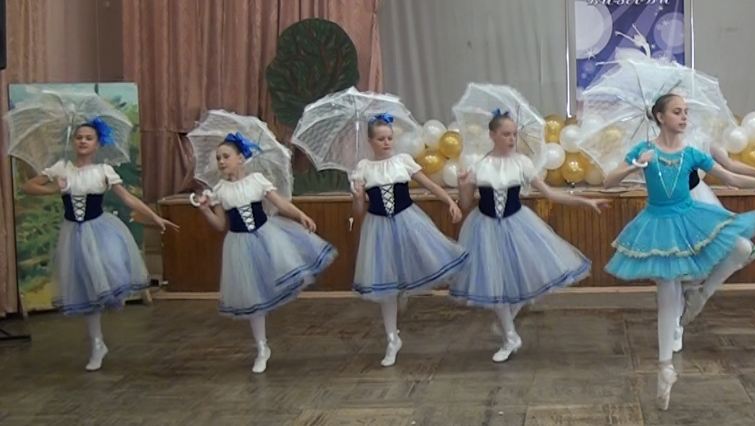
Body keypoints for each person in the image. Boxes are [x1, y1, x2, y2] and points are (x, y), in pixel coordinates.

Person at [603, 93, 755, 410]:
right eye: (677, 112)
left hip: (691, 217)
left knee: (737, 248)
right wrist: (633, 167)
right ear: (660, 117)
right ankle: (664, 368)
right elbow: (607, 182)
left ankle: (698, 298)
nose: (684, 117)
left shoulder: (692, 153)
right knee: (666, 293)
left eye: (685, 112)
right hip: (657, 225)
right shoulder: (643, 150)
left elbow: (732, 176)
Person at [450, 110, 609, 363]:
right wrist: (463, 186)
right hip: (485, 228)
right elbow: (467, 203)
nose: (512, 139)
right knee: (496, 282)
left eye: (514, 134)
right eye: (506, 134)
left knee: (519, 281)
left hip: (517, 225)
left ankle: (508, 327)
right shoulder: (479, 165)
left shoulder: (521, 163)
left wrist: (585, 202)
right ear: (492, 135)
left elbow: (551, 194)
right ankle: (510, 336)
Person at [20, 118, 179, 371]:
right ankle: (97, 343)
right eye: (79, 137)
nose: (83, 141)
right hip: (73, 233)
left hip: (100, 229)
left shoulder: (103, 171)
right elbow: (29, 187)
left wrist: (154, 217)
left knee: (110, 267)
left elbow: (128, 198)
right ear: (73, 142)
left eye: (88, 138)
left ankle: (114, 299)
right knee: (87, 288)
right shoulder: (62, 168)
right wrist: (53, 188)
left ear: (97, 144)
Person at [191, 133, 336, 373]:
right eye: (218, 158)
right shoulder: (219, 190)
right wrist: (206, 210)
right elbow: (220, 224)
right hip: (239, 245)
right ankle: (261, 347)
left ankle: (267, 340)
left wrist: (299, 215)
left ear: (241, 158)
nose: (221, 161)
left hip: (267, 237)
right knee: (253, 297)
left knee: (276, 280)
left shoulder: (257, 181)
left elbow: (280, 203)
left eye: (226, 156)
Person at [349, 113, 469, 367]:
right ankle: (392, 339)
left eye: (389, 138)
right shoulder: (363, 168)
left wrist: (449, 201)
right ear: (370, 142)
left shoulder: (402, 161)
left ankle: (402, 300)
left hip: (408, 222)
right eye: (380, 139)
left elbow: (430, 185)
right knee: (386, 287)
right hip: (378, 228)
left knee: (421, 263)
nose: (386, 142)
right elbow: (358, 213)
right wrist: (358, 197)